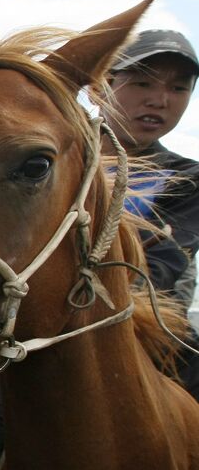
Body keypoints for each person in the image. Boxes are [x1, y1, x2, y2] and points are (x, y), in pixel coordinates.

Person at [97, 30, 199, 307]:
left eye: (178, 88)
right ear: (98, 88)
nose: (159, 100)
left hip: (134, 324)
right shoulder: (48, 159)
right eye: (143, 83)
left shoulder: (187, 179)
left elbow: (160, 271)